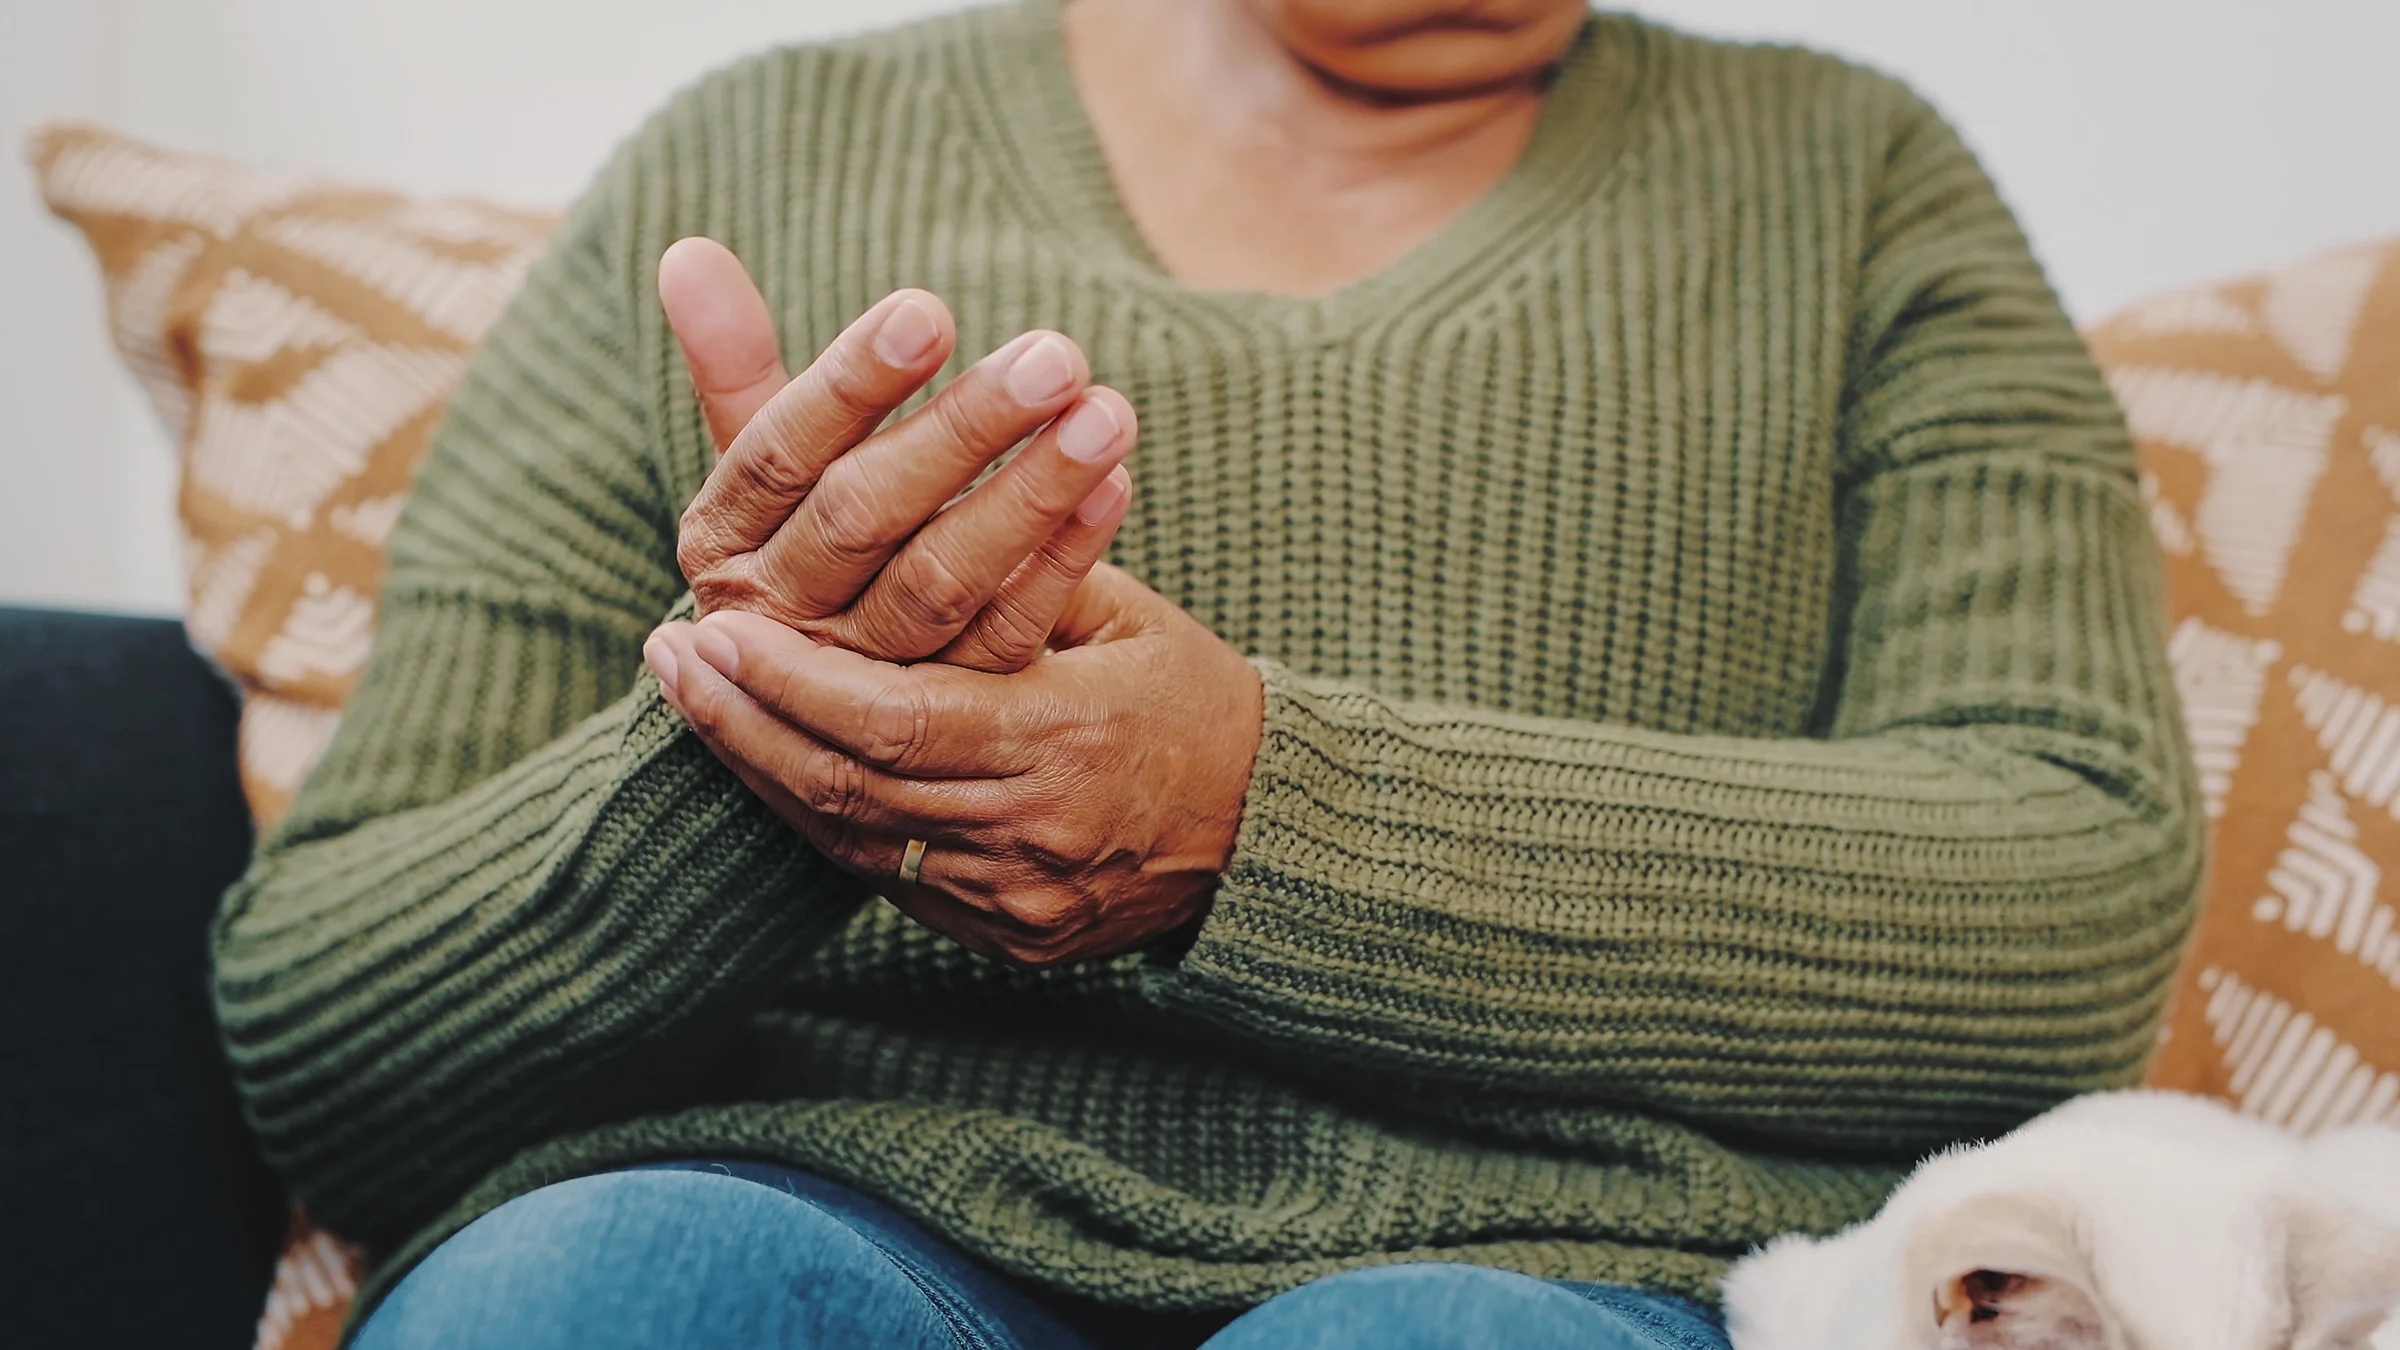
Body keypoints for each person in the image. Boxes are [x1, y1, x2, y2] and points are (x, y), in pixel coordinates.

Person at [210, 1, 2206, 1346]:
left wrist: (1263, 815)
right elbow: (331, 1047)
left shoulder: (1855, 182)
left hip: (1562, 1261)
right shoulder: (749, 156)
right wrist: (793, 743)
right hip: (799, 1196)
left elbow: (2074, 892)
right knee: (606, 1297)